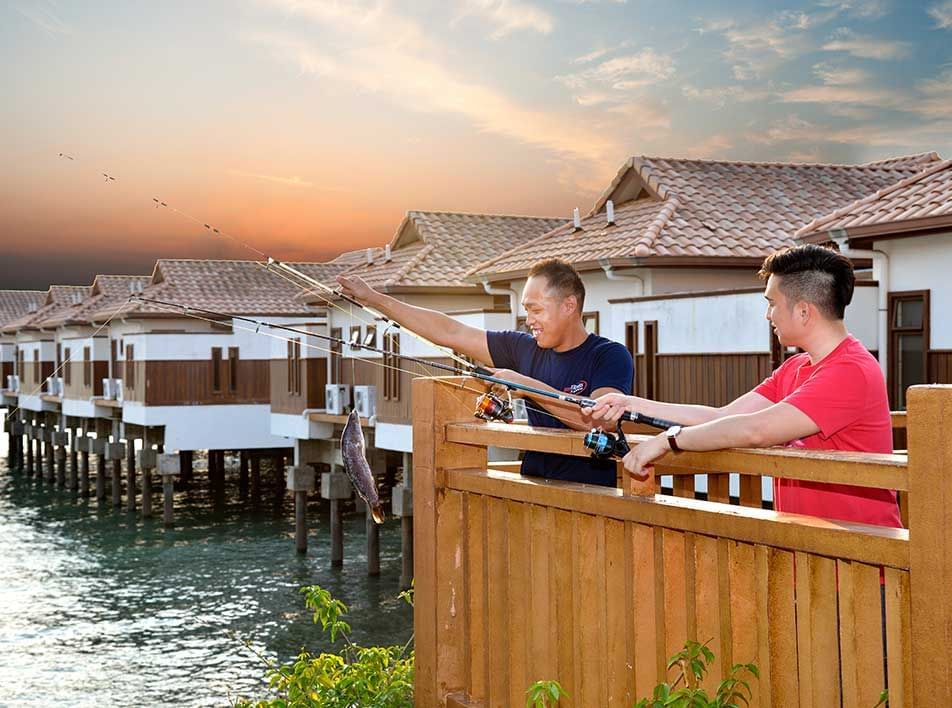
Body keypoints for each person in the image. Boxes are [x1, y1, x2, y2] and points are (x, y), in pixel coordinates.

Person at [586, 243, 901, 527]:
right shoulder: (795, 367)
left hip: (862, 563)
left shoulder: (850, 371)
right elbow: (721, 417)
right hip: (811, 556)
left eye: (772, 303)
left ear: (804, 311)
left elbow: (755, 430)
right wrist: (631, 403)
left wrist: (669, 441)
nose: (767, 315)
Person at [338, 258, 633, 486]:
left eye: (536, 310)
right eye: (526, 310)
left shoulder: (609, 356)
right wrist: (375, 299)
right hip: (532, 489)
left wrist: (524, 384)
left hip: (592, 499)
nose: (528, 320)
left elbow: (598, 420)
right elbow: (450, 331)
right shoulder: (523, 348)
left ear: (570, 305)